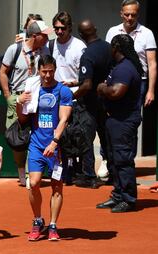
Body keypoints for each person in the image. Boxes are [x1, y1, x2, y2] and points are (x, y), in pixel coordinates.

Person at [16, 55, 73, 241]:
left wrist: (54, 142)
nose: (47, 75)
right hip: (36, 144)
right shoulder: (33, 90)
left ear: (55, 69)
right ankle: (38, 220)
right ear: (38, 71)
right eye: (44, 71)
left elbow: (64, 119)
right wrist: (19, 103)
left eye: (50, 71)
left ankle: (53, 224)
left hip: (57, 147)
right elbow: (23, 119)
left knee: (57, 186)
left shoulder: (63, 91)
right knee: (33, 183)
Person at [0, 20, 51, 186]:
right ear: (35, 36)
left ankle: (31, 173)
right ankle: (21, 169)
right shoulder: (14, 49)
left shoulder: (45, 50)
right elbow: (2, 72)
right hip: (18, 97)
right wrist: (9, 96)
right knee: (17, 138)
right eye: (44, 36)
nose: (47, 39)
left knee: (36, 134)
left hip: (37, 97)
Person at [96, 34, 142, 213]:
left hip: (124, 120)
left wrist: (101, 88)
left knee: (123, 160)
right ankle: (118, 195)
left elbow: (116, 92)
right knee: (114, 160)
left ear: (116, 47)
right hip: (115, 119)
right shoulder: (119, 67)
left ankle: (129, 199)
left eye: (111, 46)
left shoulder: (124, 69)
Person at [72, 19, 113, 188]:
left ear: (81, 35)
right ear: (95, 29)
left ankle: (89, 176)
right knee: (106, 139)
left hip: (89, 104)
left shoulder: (87, 54)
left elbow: (87, 84)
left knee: (87, 140)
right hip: (106, 101)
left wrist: (73, 95)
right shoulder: (108, 48)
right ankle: (113, 173)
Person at [49, 11, 87, 187]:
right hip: (56, 98)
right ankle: (64, 171)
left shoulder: (79, 46)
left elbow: (86, 76)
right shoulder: (51, 45)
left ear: (69, 28)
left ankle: (78, 170)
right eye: (56, 28)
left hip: (75, 96)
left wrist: (73, 83)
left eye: (62, 28)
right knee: (60, 135)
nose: (59, 31)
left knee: (76, 136)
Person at [106, 0, 156, 107]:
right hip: (116, 79)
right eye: (126, 14)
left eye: (133, 15)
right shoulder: (112, 31)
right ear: (121, 14)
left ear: (138, 15)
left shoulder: (147, 33)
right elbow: (107, 58)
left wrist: (151, 91)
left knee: (132, 116)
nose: (129, 18)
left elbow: (152, 64)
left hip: (138, 82)